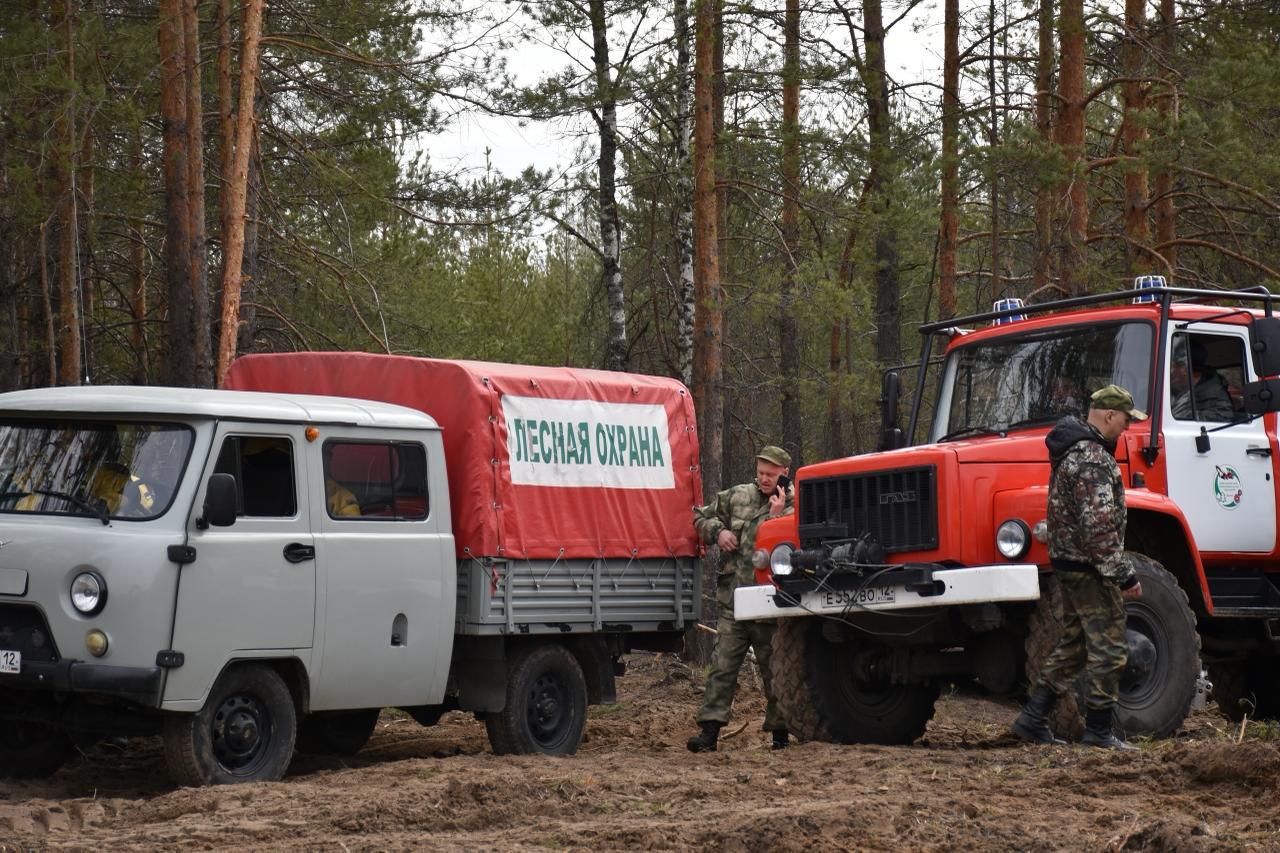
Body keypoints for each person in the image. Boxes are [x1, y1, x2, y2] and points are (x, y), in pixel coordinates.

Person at [1012, 384, 1146, 750]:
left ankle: (1032, 719)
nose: (1126, 428)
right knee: (1111, 648)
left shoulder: (1074, 450)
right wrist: (1124, 575)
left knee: (1075, 645)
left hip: (1070, 561)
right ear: (1107, 415)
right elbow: (1099, 525)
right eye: (1124, 420)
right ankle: (1099, 732)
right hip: (1089, 567)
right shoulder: (1091, 458)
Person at [687, 445, 794, 753]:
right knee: (722, 667)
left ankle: (781, 734)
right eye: (760, 473)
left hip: (772, 601)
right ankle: (709, 732)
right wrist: (718, 532)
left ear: (784, 474)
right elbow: (700, 517)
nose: (763, 480)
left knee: (776, 672)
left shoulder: (793, 506)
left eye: (770, 475)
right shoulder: (738, 495)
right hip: (734, 599)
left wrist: (775, 517)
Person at [1171, 341, 1234, 422]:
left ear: (1184, 369)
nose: (1171, 371)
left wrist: (1186, 416)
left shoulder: (1214, 394)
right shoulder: (1179, 389)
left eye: (1174, 366)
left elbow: (1225, 418)